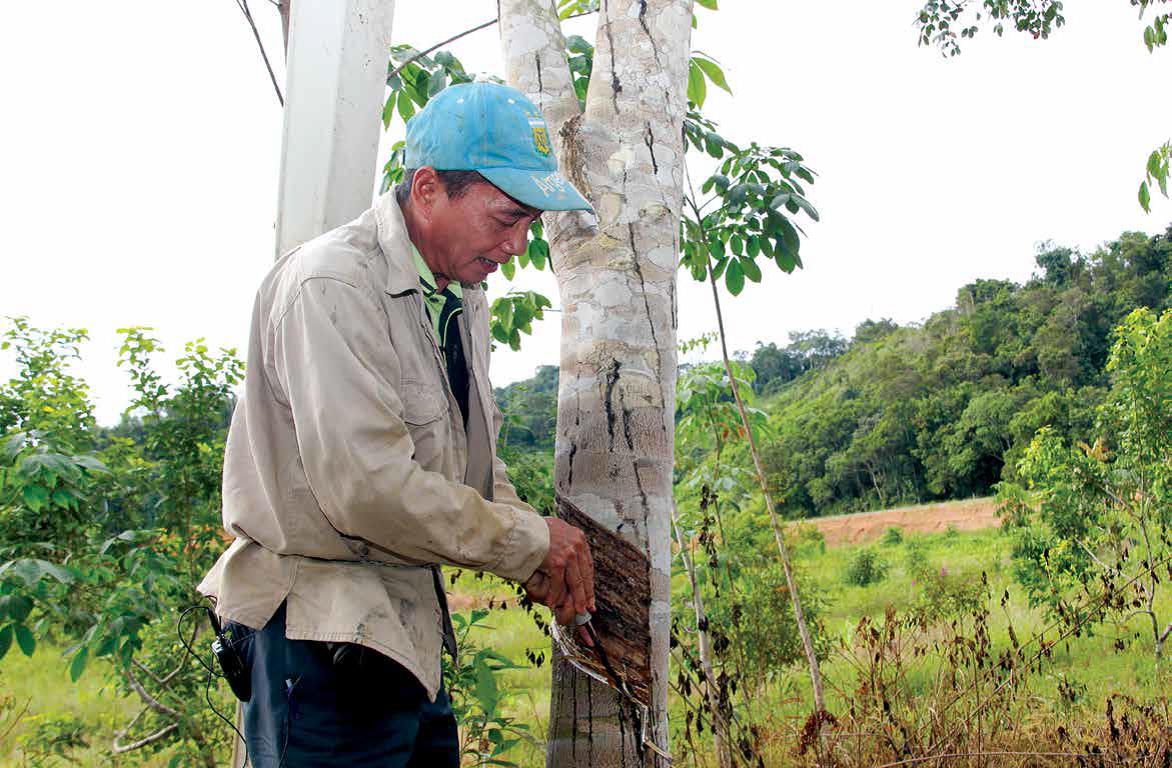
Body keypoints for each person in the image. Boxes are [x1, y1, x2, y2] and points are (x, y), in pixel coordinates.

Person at [197, 81, 597, 768]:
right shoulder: (333, 285)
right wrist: (531, 543)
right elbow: (367, 489)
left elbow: (474, 466)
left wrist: (539, 552)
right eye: (506, 219)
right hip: (320, 643)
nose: (517, 245)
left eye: (529, 224)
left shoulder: (460, 296)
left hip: (402, 636)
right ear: (428, 189)